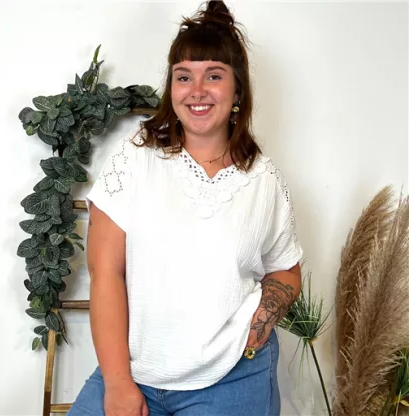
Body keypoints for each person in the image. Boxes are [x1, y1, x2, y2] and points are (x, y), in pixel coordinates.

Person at [67, 0, 303, 415]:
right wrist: (118, 383)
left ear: (237, 91)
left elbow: (286, 269)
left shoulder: (264, 180)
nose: (197, 91)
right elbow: (106, 273)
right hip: (133, 371)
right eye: (183, 77)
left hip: (233, 379)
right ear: (172, 88)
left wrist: (262, 318)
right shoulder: (134, 158)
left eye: (214, 75)